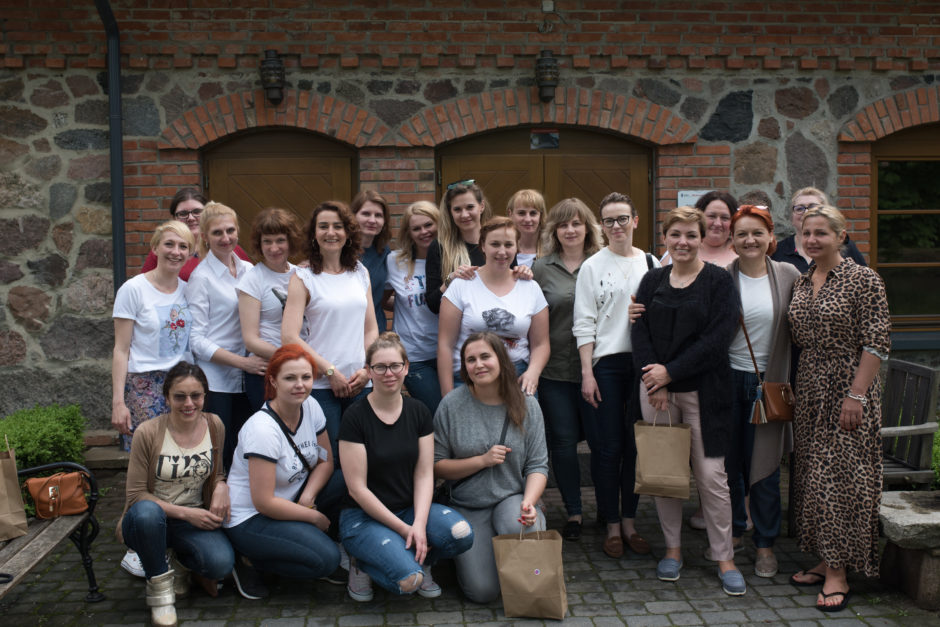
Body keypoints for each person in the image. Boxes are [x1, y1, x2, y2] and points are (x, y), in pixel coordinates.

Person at [631, 206, 745, 596]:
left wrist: (671, 372)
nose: (683, 242)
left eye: (691, 235)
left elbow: (718, 338)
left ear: (702, 238)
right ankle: (673, 549)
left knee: (712, 477)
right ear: (665, 238)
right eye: (675, 235)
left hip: (706, 391)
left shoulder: (718, 281)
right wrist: (656, 381)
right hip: (657, 393)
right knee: (665, 474)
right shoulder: (652, 280)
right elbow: (640, 332)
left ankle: (724, 557)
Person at [786, 205, 890, 613]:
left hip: (849, 386)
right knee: (813, 475)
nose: (812, 240)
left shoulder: (864, 279)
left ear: (841, 237)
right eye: (807, 233)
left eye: (821, 233)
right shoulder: (803, 280)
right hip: (811, 386)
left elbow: (876, 342)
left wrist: (856, 395)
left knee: (840, 478)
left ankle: (838, 574)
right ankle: (827, 557)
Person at [339, 333, 473, 602]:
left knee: (461, 535)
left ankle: (421, 559)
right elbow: (357, 489)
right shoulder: (355, 416)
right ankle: (360, 562)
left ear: (406, 367)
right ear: (369, 371)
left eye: (395, 366)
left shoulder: (418, 411)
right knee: (409, 581)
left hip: (409, 509)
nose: (389, 373)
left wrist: (419, 524)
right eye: (380, 367)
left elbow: (424, 474)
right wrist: (404, 529)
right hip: (364, 517)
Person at [434, 332, 549, 604]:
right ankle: (483, 557)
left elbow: (538, 464)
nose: (479, 365)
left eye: (485, 356)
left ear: (501, 360)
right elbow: (437, 466)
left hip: (511, 498)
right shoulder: (451, 404)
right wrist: (481, 461)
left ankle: (517, 544)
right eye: (470, 360)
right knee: (482, 591)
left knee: (518, 522)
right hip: (468, 504)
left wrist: (530, 502)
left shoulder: (527, 404)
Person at [223, 344, 345, 600]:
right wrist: (312, 517)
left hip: (292, 497)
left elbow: (325, 461)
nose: (300, 385)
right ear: (273, 381)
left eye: (306, 377)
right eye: (290, 378)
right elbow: (264, 502)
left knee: (347, 480)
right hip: (251, 517)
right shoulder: (262, 430)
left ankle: (299, 545)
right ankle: (249, 560)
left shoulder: (310, 405)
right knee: (327, 559)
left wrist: (308, 497)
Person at [116, 361, 234, 626]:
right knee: (147, 514)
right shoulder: (147, 432)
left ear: (205, 396)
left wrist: (221, 485)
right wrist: (187, 514)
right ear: (167, 397)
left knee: (221, 563)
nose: (188, 403)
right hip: (149, 520)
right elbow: (136, 495)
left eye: (196, 396)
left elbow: (217, 472)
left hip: (190, 523)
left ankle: (180, 565)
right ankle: (161, 595)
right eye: (180, 396)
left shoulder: (214, 425)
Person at [572, 192, 657, 557]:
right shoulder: (592, 266)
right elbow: (584, 322)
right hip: (605, 365)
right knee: (609, 448)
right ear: (602, 226)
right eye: (609, 221)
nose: (617, 226)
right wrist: (587, 373)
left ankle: (629, 522)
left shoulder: (652, 263)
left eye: (623, 218)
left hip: (642, 365)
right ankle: (610, 525)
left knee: (635, 446)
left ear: (635, 220)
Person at [112, 220, 196, 578]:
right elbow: (121, 349)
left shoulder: (189, 290)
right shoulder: (133, 289)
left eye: (183, 246)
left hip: (181, 384)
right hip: (144, 385)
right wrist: (118, 401)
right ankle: (136, 544)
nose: (176, 252)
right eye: (170, 244)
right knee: (146, 467)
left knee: (177, 465)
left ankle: (169, 541)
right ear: (155, 247)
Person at [724, 205, 800, 579]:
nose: (750, 240)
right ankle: (736, 532)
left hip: (769, 383)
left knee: (765, 467)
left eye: (757, 233)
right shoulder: (721, 278)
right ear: (732, 240)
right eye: (742, 234)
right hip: (728, 380)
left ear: (771, 237)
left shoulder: (788, 275)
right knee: (731, 465)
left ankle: (765, 544)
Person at [282, 200, 379, 462]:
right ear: (314, 234)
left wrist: (368, 369)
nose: (331, 232)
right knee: (330, 460)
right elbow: (289, 337)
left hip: (360, 383)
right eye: (323, 226)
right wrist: (330, 371)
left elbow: (370, 329)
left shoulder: (360, 272)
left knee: (364, 455)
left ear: (348, 232)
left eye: (337, 226)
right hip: (322, 386)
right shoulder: (302, 277)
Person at [531, 198, 602, 541]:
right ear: (554, 231)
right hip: (555, 371)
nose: (570, 230)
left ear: (588, 227)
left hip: (599, 370)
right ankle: (574, 512)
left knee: (602, 443)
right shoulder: (540, 268)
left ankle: (608, 512)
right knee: (562, 444)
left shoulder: (603, 263)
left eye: (576, 223)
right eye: (563, 224)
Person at [185, 202, 265, 472]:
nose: (226, 237)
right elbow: (196, 340)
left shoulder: (249, 270)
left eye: (230, 230)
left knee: (248, 449)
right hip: (217, 381)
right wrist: (243, 363)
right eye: (217, 232)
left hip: (250, 378)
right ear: (204, 237)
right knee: (220, 452)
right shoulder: (201, 278)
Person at [437, 216, 549, 397]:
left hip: (516, 377)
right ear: (483, 246)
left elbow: (541, 344)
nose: (502, 251)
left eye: (508, 244)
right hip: (469, 377)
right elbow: (445, 345)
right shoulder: (461, 285)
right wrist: (447, 394)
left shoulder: (530, 288)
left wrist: (533, 372)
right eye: (495, 244)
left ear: (517, 247)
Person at [426, 180, 529, 314]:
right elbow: (433, 305)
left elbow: (515, 290)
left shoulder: (501, 239)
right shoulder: (440, 247)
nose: (464, 214)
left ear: (481, 206)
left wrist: (522, 272)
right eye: (457, 209)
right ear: (450, 212)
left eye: (470, 207)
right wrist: (451, 279)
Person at [237, 207, 304, 411]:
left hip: (301, 371)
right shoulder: (252, 279)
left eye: (280, 240)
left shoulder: (301, 275)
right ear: (259, 244)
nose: (274, 248)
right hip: (267, 372)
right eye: (267, 241)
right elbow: (251, 340)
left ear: (290, 241)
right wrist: (290, 358)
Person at [382, 200, 444, 413]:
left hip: (449, 353)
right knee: (437, 412)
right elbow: (382, 299)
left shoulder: (451, 258)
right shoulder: (395, 261)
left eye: (428, 225)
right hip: (415, 356)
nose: (424, 232)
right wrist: (407, 306)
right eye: (416, 228)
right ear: (408, 233)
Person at [141, 188, 251, 280]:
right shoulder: (163, 251)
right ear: (174, 218)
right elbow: (146, 285)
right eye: (183, 213)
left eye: (197, 212)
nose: (191, 218)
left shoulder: (230, 248)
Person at [772, 187, 867, 272]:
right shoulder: (777, 251)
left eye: (813, 207)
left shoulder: (846, 247)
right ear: (791, 218)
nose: (806, 212)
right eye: (799, 208)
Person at [351, 190, 393, 331]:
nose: (372, 220)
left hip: (376, 331)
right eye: (366, 214)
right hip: (346, 331)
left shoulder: (385, 253)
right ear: (353, 216)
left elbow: (381, 298)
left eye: (378, 215)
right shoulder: (340, 251)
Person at [661, 191, 738, 266]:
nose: (718, 223)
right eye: (711, 216)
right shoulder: (675, 253)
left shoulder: (741, 252)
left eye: (725, 218)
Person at [506, 188, 546, 267]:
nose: (528, 219)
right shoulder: (501, 249)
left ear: (541, 215)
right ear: (510, 214)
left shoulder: (551, 251)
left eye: (533, 213)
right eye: (521, 213)